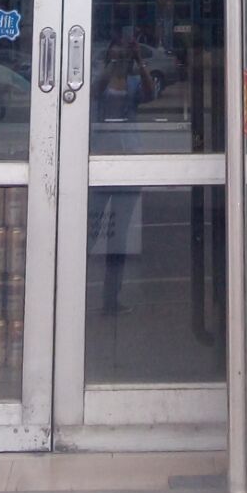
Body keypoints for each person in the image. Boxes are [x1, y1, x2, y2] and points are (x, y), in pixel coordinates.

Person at [89, 38, 154, 313]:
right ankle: (73, 291)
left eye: (123, 56)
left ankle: (110, 298)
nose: (120, 60)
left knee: (119, 238)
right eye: (116, 55)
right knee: (90, 231)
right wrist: (111, 66)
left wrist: (139, 61)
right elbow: (93, 91)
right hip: (99, 161)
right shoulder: (100, 78)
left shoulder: (134, 83)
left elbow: (150, 94)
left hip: (127, 162)